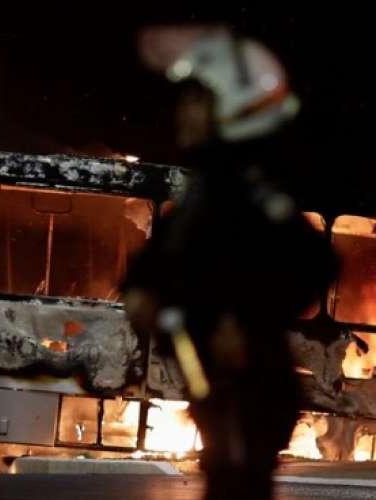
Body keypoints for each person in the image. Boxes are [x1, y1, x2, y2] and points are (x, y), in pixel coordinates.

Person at [127, 26, 337, 500]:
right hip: (222, 392)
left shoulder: (244, 191)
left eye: (199, 101)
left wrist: (245, 321)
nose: (184, 112)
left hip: (250, 395)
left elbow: (315, 262)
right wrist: (141, 288)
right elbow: (163, 259)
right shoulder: (207, 188)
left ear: (235, 109)